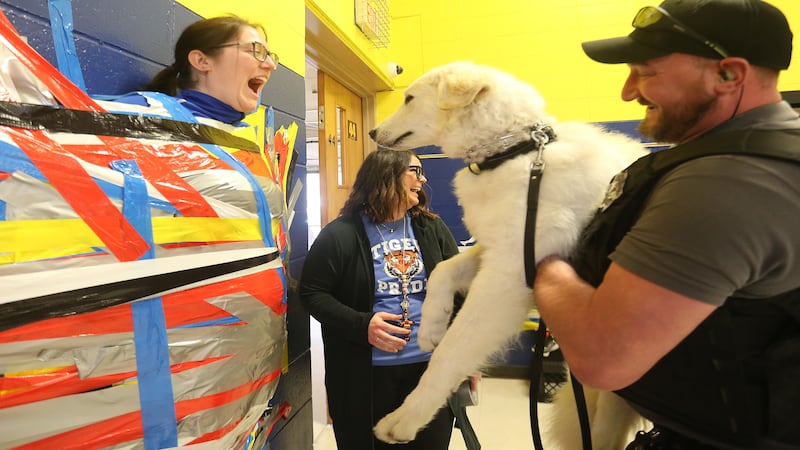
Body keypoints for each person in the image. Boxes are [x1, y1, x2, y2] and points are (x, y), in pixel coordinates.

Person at [533, 1, 800, 449]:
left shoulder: (728, 181)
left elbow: (603, 358)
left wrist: (543, 258)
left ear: (729, 74)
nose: (628, 91)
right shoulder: (764, 151)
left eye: (645, 72)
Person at [299, 149, 459, 449]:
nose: (422, 179)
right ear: (386, 175)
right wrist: (363, 326)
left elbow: (460, 289)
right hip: (365, 376)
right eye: (415, 171)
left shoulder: (431, 228)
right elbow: (311, 293)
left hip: (430, 372)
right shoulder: (341, 234)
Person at [118, 15, 278, 126]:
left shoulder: (247, 138)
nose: (271, 65)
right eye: (256, 51)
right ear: (201, 61)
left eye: (270, 56)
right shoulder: (140, 115)